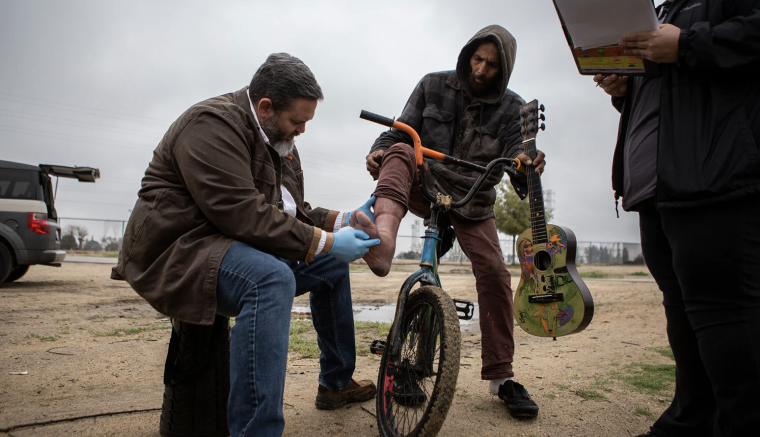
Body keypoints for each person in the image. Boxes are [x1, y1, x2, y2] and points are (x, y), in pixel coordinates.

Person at [111, 53, 381, 437]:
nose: (303, 130)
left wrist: (343, 221)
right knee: (270, 280)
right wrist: (326, 241)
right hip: (180, 249)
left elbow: (291, 211)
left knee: (330, 265)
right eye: (297, 121)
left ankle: (336, 383)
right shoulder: (211, 125)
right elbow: (241, 213)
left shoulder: (280, 141)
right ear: (265, 106)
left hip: (231, 243)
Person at [360, 24, 546, 418]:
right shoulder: (432, 85)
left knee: (495, 272)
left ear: (504, 70)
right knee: (399, 151)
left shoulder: (514, 109)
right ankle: (384, 238)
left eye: (492, 65)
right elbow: (399, 131)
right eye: (477, 59)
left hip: (472, 199)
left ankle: (502, 377)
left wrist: (525, 163)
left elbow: (518, 158)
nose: (481, 69)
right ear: (467, 55)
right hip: (424, 183)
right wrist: (379, 151)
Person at [595, 1, 760, 436]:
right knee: (683, 312)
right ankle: (690, 420)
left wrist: (688, 44)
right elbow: (672, 98)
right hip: (656, 193)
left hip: (715, 180)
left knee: (724, 313)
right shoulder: (665, 10)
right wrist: (624, 90)